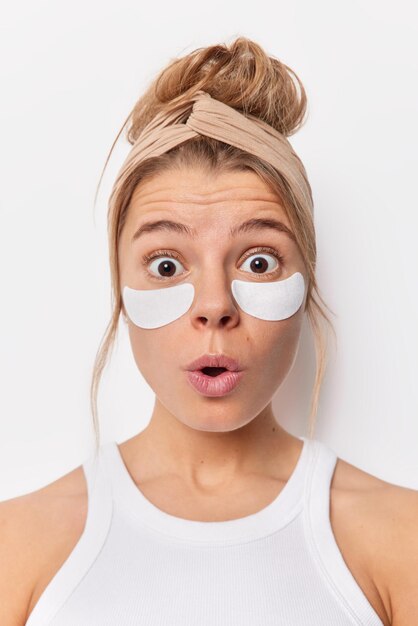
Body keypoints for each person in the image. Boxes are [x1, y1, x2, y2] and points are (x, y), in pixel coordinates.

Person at [1, 36, 417, 626]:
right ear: (119, 287)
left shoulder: (403, 542)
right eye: (167, 265)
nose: (215, 306)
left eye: (258, 261)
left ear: (308, 281)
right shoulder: (16, 549)